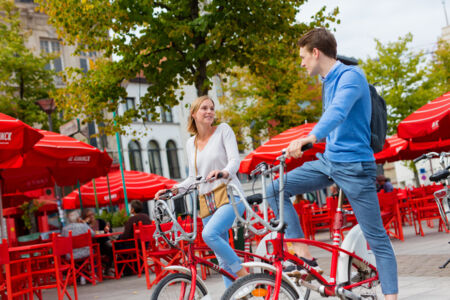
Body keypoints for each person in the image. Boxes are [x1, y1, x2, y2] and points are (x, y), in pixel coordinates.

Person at [265, 28, 398, 299]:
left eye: (303, 57)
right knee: (274, 189)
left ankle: (391, 297)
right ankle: (303, 254)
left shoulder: (352, 77)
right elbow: (333, 122)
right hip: (329, 161)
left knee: (378, 240)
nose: (301, 63)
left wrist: (310, 137)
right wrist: (300, 146)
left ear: (316, 53)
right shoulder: (326, 80)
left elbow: (337, 112)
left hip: (355, 166)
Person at [155, 95, 248, 288]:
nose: (209, 111)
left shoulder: (223, 130)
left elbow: (234, 161)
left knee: (209, 234)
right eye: (204, 108)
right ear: (194, 114)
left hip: (230, 195)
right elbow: (193, 178)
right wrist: (171, 190)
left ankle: (244, 276)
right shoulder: (191, 143)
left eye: (211, 108)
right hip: (207, 201)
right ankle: (234, 294)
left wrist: (223, 172)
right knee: (221, 260)